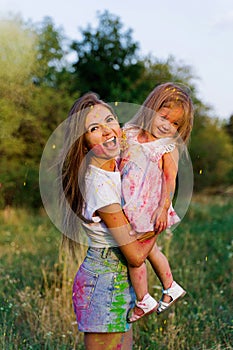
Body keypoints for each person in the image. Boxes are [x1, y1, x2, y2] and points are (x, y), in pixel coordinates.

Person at [60, 92, 158, 350]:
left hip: (117, 277)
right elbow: (136, 255)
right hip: (102, 283)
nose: (106, 131)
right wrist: (162, 217)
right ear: (83, 143)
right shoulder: (99, 185)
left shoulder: (115, 167)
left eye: (110, 120)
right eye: (94, 128)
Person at [120, 82, 194, 321]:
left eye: (175, 124)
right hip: (127, 208)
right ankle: (169, 287)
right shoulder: (129, 132)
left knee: (136, 257)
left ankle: (144, 300)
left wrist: (163, 209)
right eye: (164, 117)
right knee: (150, 251)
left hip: (150, 211)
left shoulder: (165, 147)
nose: (167, 126)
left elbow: (170, 180)